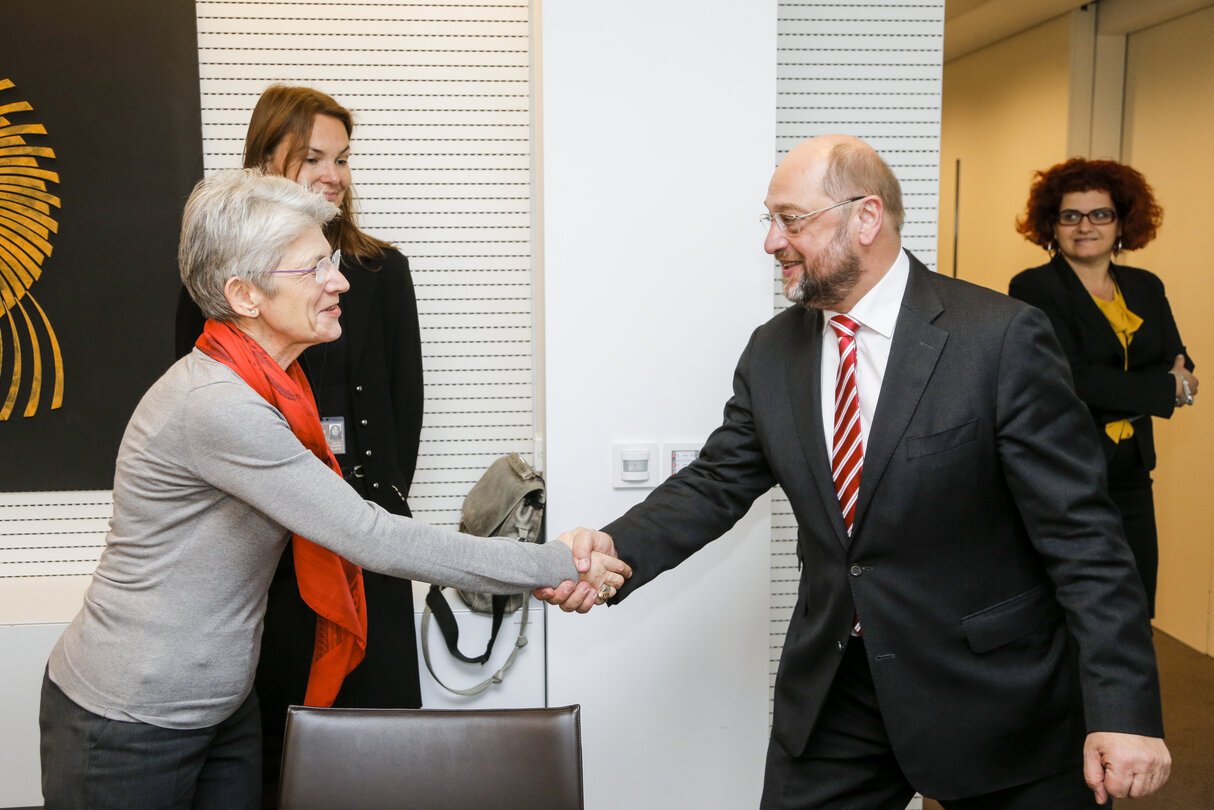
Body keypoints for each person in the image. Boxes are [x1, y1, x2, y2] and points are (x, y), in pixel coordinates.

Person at [539, 135, 1170, 808]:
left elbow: (1084, 537)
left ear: (865, 218)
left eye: (791, 219)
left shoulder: (1001, 338)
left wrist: (1123, 709)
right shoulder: (773, 351)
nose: (772, 241)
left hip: (994, 692)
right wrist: (614, 550)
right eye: (770, 220)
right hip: (839, 684)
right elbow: (716, 482)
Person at [39, 169, 627, 809]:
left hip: (221, 706)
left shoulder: (270, 388)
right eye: (314, 268)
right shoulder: (217, 406)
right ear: (244, 295)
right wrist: (556, 560)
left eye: (333, 261)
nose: (339, 281)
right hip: (130, 718)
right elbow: (369, 535)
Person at [174, 85, 429, 800]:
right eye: (313, 156)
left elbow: (402, 409)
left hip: (365, 543)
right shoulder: (223, 284)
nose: (333, 174)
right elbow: (205, 418)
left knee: (379, 745)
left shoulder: (382, 269)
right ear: (265, 161)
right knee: (277, 748)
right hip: (267, 550)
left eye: (343, 158)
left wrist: (361, 519)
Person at [1008, 158, 1197, 618]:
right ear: (1051, 225)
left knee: (1133, 605)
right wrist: (1163, 390)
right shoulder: (1035, 287)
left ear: (1121, 221)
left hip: (1132, 470)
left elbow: (1180, 361)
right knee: (1075, 610)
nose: (1085, 226)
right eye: (1070, 215)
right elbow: (1072, 377)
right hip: (1067, 471)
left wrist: (1164, 383)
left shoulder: (1145, 286)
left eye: (1100, 214)